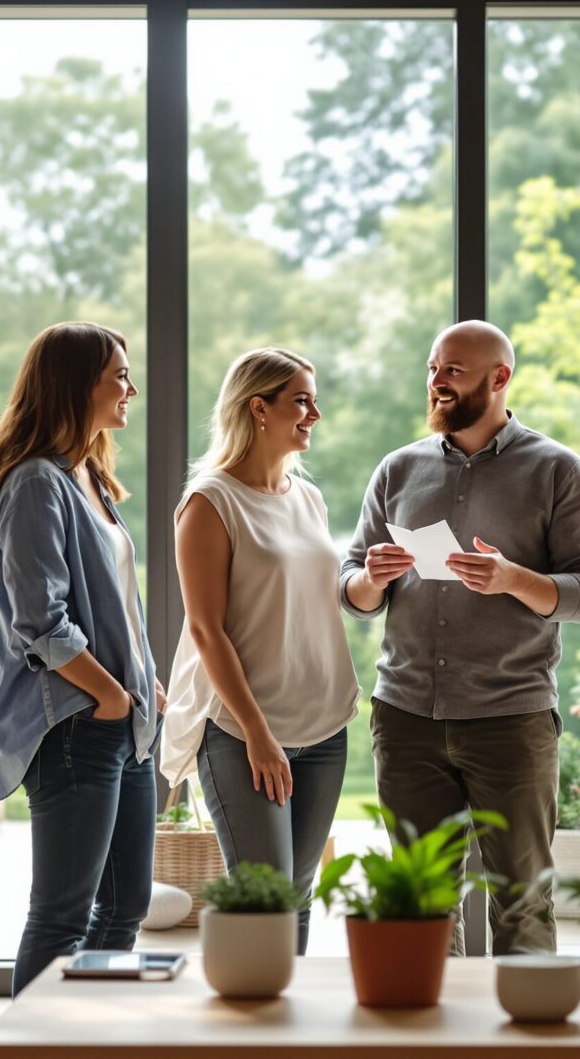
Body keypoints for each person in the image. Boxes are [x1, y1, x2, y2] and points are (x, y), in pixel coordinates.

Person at [340, 319, 580, 956]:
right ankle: (436, 1017)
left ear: (500, 377)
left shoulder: (556, 469)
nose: (437, 381)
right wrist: (372, 579)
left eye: (453, 371)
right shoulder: (397, 468)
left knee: (522, 900)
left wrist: (514, 579)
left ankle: (525, 1017)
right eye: (433, 368)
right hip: (405, 717)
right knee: (421, 902)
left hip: (510, 718)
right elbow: (351, 589)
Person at [0, 322, 164, 995]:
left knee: (126, 906)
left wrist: (143, 685)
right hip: (77, 727)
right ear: (77, 385)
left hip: (124, 723)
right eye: (119, 377)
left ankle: (86, 1034)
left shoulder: (89, 478)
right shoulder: (35, 483)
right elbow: (40, 621)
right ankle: (34, 1040)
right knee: (62, 916)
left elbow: (117, 606)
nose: (131, 389)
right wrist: (109, 694)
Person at [162, 348, 359, 954]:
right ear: (259, 408)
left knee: (296, 892)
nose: (314, 414)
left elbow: (311, 600)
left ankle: (284, 1010)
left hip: (323, 726)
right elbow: (206, 630)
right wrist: (256, 733)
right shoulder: (209, 502)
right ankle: (250, 1011)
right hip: (243, 731)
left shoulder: (308, 498)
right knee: (264, 896)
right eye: (301, 401)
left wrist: (371, 579)